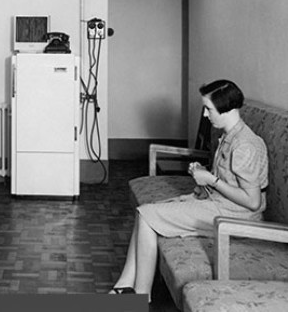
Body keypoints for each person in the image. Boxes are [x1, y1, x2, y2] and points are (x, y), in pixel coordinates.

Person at [109, 79, 268, 300]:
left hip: (237, 217)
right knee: (144, 210)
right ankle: (124, 286)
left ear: (226, 110)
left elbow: (253, 202)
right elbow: (229, 181)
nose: (205, 115)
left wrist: (211, 180)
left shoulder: (245, 145)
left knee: (147, 216)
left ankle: (141, 296)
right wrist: (204, 175)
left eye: (209, 109)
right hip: (219, 205)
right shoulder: (230, 135)